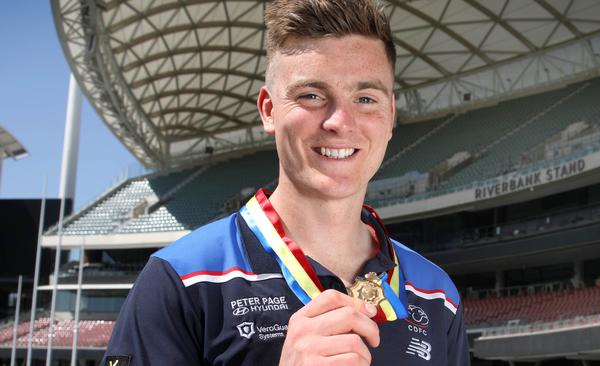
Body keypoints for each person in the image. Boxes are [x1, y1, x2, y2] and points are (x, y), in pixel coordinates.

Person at [102, 0, 469, 365]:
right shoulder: (181, 279)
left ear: (389, 115)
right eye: (311, 95)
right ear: (268, 110)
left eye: (365, 98)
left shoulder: (437, 295)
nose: (339, 121)